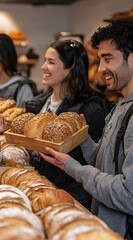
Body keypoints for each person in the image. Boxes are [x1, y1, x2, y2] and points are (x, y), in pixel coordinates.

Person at [39, 20, 133, 237]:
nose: (101, 68)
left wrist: (75, 168)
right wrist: (83, 139)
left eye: (108, 59)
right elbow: (107, 164)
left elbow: (132, 198)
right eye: (100, 59)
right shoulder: (123, 104)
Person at [24, 40, 113, 210]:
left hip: (69, 199)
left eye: (51, 62)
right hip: (36, 189)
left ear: (71, 68)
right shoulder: (37, 104)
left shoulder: (90, 110)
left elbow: (95, 162)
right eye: (45, 60)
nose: (43, 66)